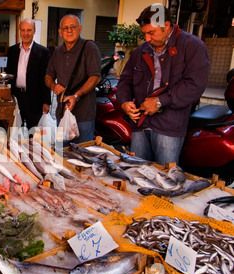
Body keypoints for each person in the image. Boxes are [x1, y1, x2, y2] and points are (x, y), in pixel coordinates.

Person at [117, 4, 210, 165]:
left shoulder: (193, 47)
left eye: (151, 33)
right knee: (136, 175)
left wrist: (160, 101)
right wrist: (124, 102)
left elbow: (194, 85)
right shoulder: (141, 51)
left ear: (166, 26)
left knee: (164, 181)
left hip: (169, 127)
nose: (146, 39)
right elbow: (125, 80)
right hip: (141, 124)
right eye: (144, 33)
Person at [45, 15, 101, 145]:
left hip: (84, 115)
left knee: (83, 154)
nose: (69, 30)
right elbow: (48, 76)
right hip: (62, 113)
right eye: (65, 28)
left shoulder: (89, 47)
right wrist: (53, 86)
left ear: (80, 29)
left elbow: (95, 77)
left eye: (73, 27)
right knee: (62, 153)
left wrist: (76, 95)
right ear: (60, 32)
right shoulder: (58, 51)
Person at [6, 19, 51, 130]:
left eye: (29, 30)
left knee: (34, 134)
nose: (26, 33)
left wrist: (46, 101)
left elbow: (45, 78)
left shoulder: (43, 52)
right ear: (20, 31)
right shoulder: (12, 51)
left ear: (34, 31)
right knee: (16, 132)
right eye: (23, 30)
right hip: (16, 98)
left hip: (35, 99)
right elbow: (9, 75)